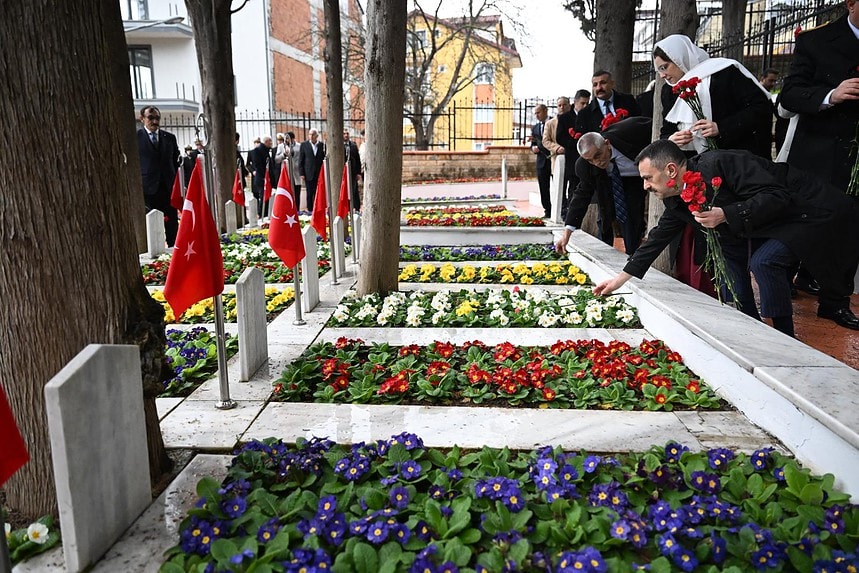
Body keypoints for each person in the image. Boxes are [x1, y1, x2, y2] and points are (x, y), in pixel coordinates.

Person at [593, 140, 859, 335]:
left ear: (671, 170)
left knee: (765, 262)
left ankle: (785, 337)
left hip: (806, 210)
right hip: (764, 224)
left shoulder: (721, 163)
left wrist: (726, 213)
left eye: (648, 178)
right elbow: (656, 239)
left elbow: (777, 195)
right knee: (732, 272)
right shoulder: (676, 200)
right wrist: (619, 280)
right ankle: (755, 330)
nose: (645, 186)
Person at [779, 0, 859, 321]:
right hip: (819, 155)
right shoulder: (815, 41)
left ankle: (835, 301)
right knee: (805, 221)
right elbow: (789, 95)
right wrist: (831, 95)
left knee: (851, 229)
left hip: (855, 159)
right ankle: (782, 281)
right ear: (851, 4)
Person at [654, 34, 772, 158]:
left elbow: (760, 108)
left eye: (664, 67)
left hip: (735, 157)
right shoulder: (669, 90)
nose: (662, 75)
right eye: (659, 70)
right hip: (692, 161)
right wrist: (671, 140)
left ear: (679, 59)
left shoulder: (724, 72)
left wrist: (721, 128)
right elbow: (667, 129)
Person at [555, 117, 651, 256]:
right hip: (614, 183)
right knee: (610, 219)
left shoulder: (630, 131)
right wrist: (567, 234)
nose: (597, 162)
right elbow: (581, 196)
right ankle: (628, 256)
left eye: (598, 155)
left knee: (634, 220)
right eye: (590, 160)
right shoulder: (585, 165)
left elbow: (656, 128)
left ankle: (634, 254)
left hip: (644, 174)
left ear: (607, 143)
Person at [136, 105, 180, 247]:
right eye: (150, 118)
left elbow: (176, 162)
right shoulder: (136, 138)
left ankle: (174, 249)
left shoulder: (169, 138)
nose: (155, 121)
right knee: (152, 225)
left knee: (171, 223)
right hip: (148, 191)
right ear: (142, 119)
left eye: (157, 118)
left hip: (168, 189)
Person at [556, 90, 592, 216]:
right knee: (573, 188)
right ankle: (571, 215)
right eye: (582, 103)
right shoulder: (565, 118)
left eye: (587, 103)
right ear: (575, 102)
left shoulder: (590, 115)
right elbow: (560, 137)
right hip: (573, 158)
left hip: (589, 157)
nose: (585, 106)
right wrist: (577, 144)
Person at [575, 71, 641, 135]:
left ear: (612, 84)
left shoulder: (628, 100)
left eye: (603, 83)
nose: (599, 88)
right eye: (595, 85)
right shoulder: (584, 114)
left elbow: (639, 124)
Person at [530, 104, 552, 218]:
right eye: (535, 113)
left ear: (545, 111)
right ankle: (548, 210)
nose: (537, 115)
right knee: (543, 187)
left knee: (559, 186)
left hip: (553, 159)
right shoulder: (535, 128)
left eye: (538, 113)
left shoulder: (554, 122)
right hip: (541, 161)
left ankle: (561, 209)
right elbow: (533, 143)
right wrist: (533, 148)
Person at [298, 129, 326, 211]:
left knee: (318, 192)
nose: (311, 136)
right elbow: (301, 159)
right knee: (309, 193)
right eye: (310, 134)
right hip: (308, 173)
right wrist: (301, 173)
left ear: (317, 136)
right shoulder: (304, 145)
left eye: (313, 134)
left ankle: (318, 208)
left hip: (319, 173)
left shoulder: (322, 145)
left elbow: (324, 158)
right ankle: (310, 209)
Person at [248, 135, 273, 217]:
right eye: (270, 141)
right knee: (262, 196)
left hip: (267, 178)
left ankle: (266, 212)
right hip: (261, 177)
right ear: (266, 142)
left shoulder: (267, 150)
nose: (271, 143)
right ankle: (261, 213)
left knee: (266, 196)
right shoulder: (257, 151)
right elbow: (258, 165)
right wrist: (263, 176)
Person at [344, 129, 363, 211]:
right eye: (344, 134)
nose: (346, 135)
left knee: (354, 190)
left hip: (353, 172)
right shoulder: (339, 146)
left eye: (347, 133)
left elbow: (358, 160)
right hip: (343, 173)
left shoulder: (353, 145)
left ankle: (356, 208)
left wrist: (358, 173)